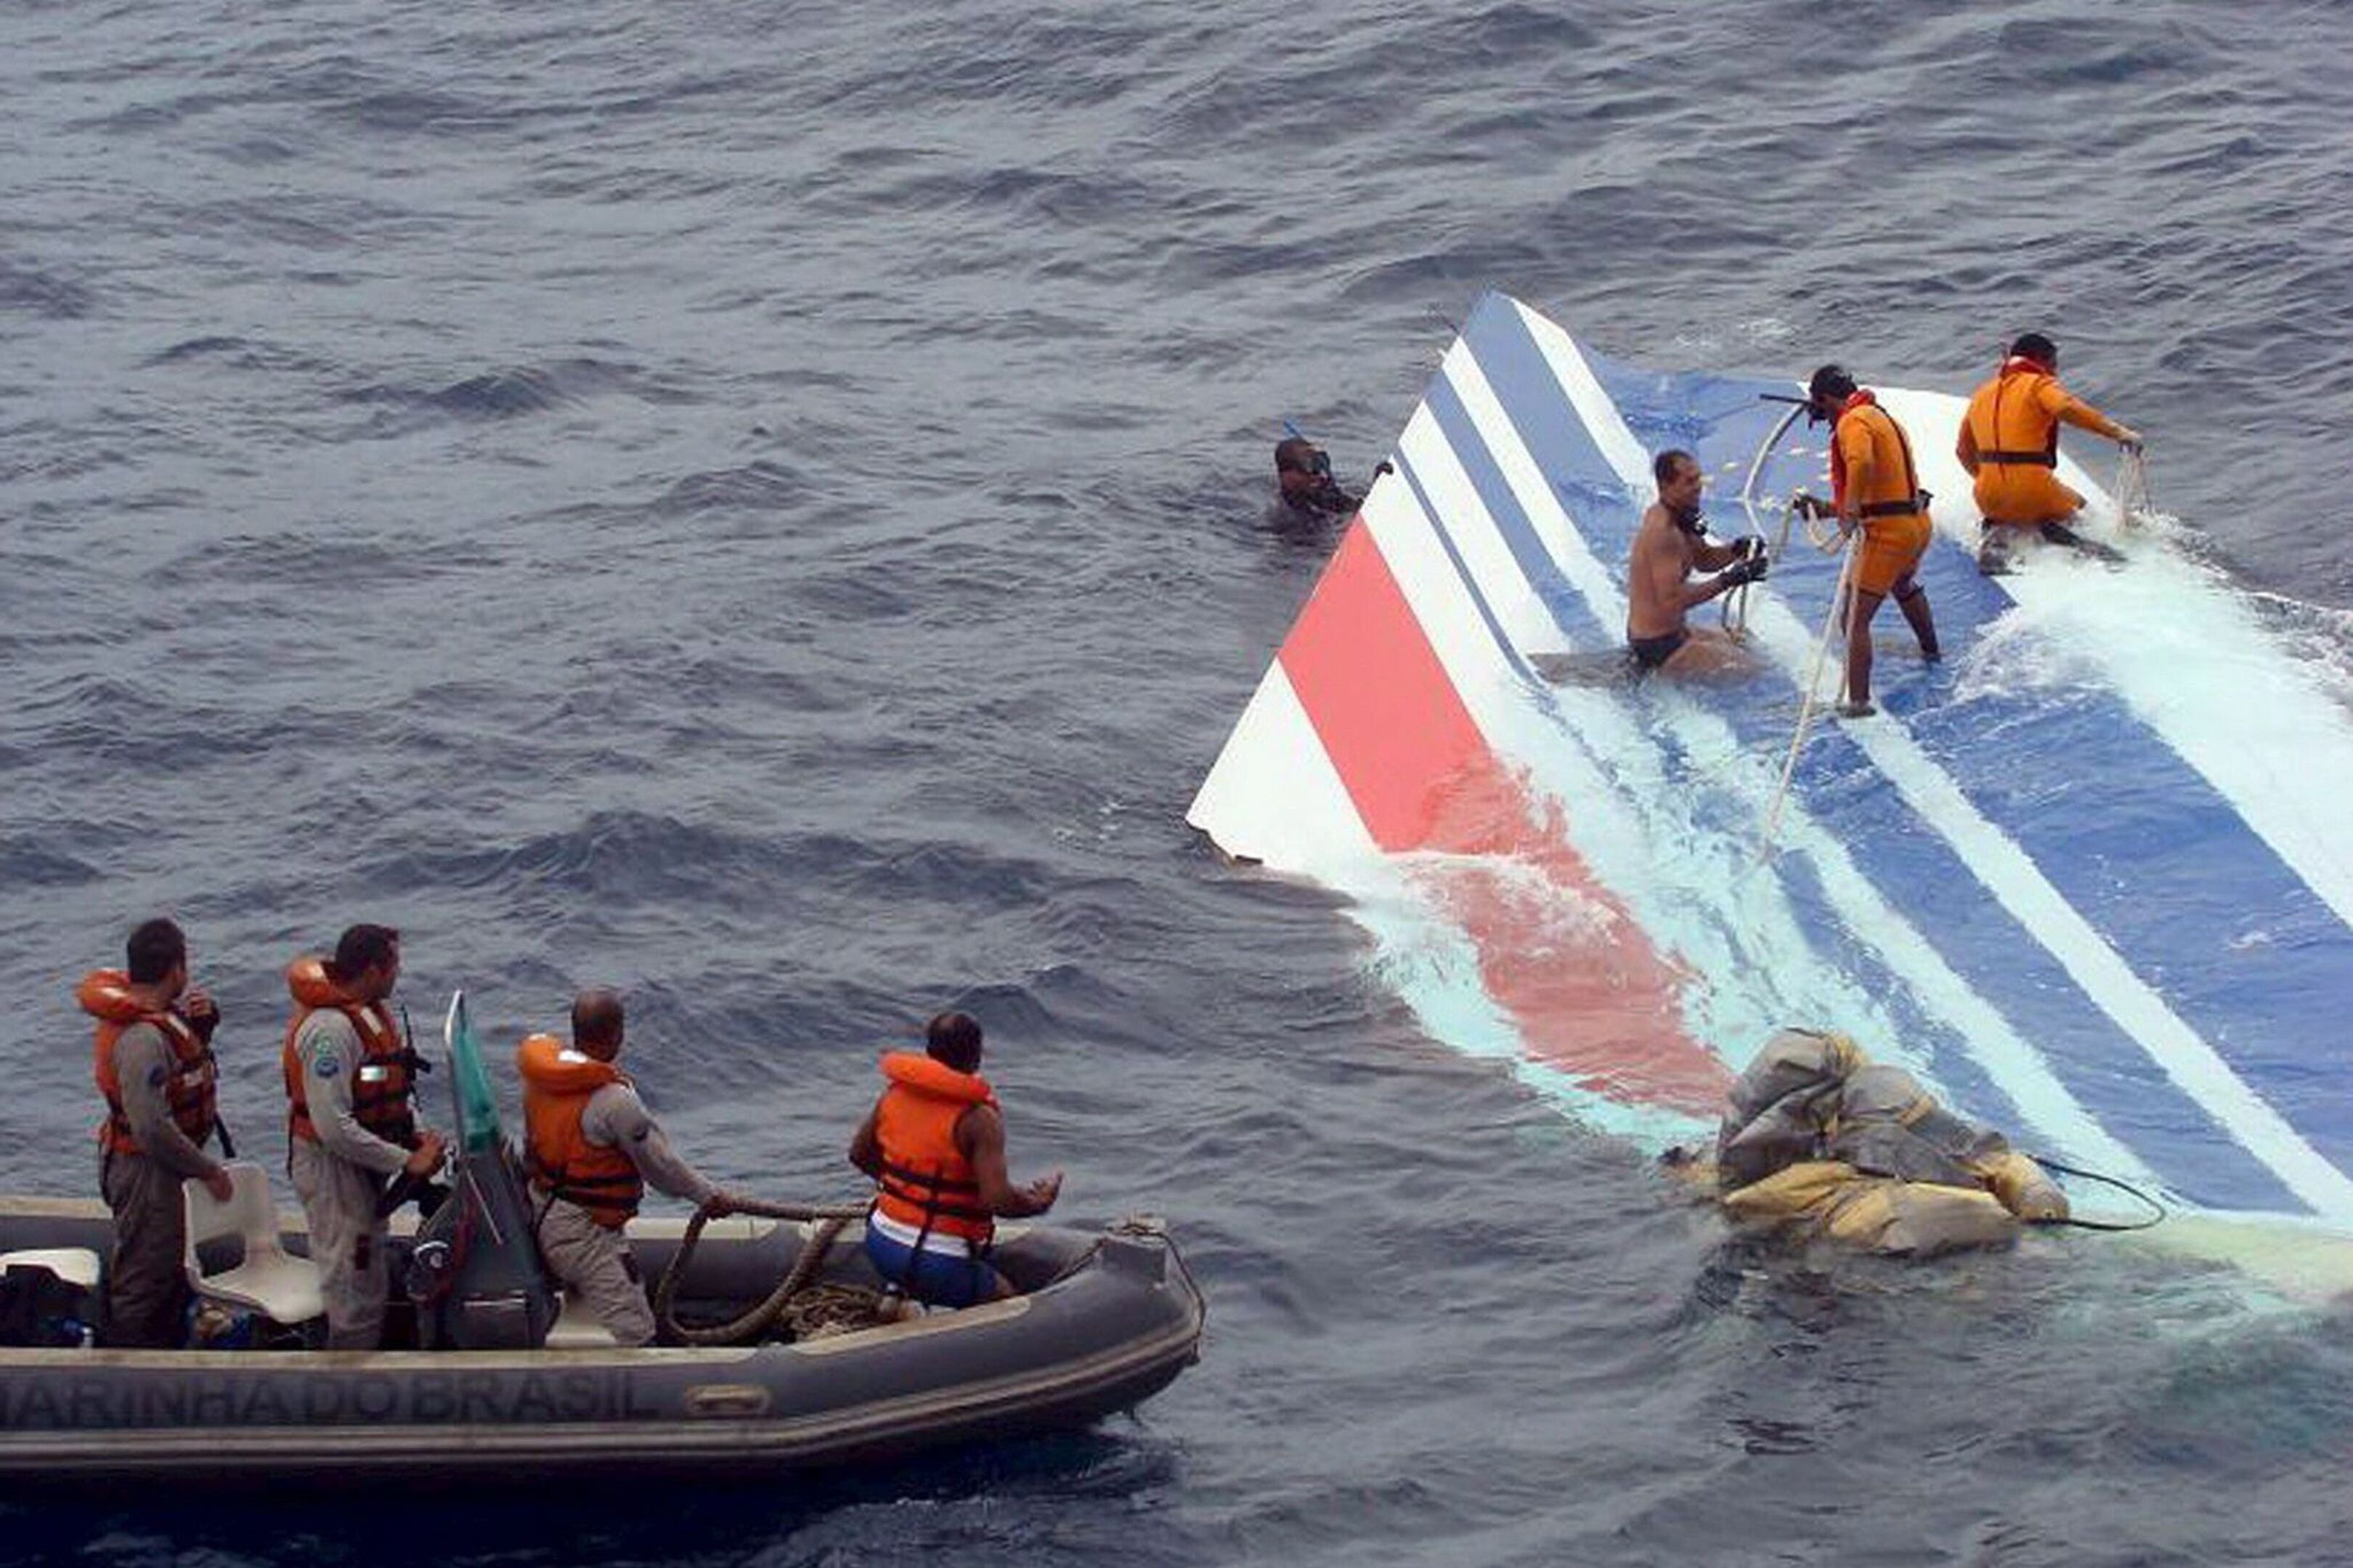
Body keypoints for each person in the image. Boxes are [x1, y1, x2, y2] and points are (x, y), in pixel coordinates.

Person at [518, 988, 742, 1346]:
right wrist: (709, 1197)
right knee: (636, 1330)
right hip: (584, 1236)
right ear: (617, 1035)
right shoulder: (613, 1103)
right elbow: (661, 1167)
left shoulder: (540, 1084)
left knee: (629, 1288)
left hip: (546, 1213)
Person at [282, 924, 444, 1349]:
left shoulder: (370, 1018)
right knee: (351, 1278)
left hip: (363, 1163)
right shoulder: (330, 1032)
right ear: (374, 970)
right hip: (331, 1167)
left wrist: (416, 1138)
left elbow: (378, 1085)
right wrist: (404, 1160)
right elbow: (332, 1127)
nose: (398, 973)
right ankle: (344, 1381)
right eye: (394, 965)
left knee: (366, 1269)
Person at [81, 918, 236, 1347]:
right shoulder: (142, 1039)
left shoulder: (165, 1020)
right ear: (176, 970)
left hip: (164, 1167)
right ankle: (128, 1369)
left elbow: (179, 1075)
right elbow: (150, 1127)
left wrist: (202, 1032)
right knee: (143, 1277)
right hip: (146, 1171)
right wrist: (208, 1170)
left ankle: (165, 1345)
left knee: (167, 1267)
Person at [848, 1012, 1061, 1309]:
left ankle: (899, 1295)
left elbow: (859, 1155)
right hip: (936, 1261)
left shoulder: (894, 1094)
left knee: (930, 1266)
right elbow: (997, 1200)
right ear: (976, 1057)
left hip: (879, 1243)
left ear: (929, 1051)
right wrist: (1038, 1203)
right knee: (1007, 1303)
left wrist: (908, 1192)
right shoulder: (978, 1118)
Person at [1792, 365, 1942, 718]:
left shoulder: (1853, 422)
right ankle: (1931, 652)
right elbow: (1884, 492)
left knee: (1853, 619)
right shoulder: (1880, 415)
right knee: (1903, 584)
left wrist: (1850, 512)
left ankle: (1857, 703)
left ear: (1826, 399)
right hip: (1917, 524)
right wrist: (1827, 509)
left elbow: (1861, 462)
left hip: (1890, 535)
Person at [1956, 333, 2144, 574]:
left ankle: (2000, 534)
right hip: (2034, 490)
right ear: (2040, 361)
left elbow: (1962, 452)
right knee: (2082, 508)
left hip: (1986, 496)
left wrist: (1990, 480)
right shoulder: (2038, 384)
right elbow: (2065, 406)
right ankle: (2057, 532)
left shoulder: (1981, 394)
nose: (2055, 373)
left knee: (2011, 512)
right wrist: (2119, 432)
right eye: (2054, 366)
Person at [1625, 447, 1768, 675]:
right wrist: (1729, 580)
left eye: (1699, 479)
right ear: (1665, 486)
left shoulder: (1682, 516)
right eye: (1689, 482)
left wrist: (1737, 549)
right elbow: (1671, 601)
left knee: (1743, 641)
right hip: (1659, 646)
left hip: (1676, 631)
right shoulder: (1662, 532)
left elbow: (1704, 560)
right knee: (1753, 670)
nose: (1699, 487)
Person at [1275, 435, 1391, 518]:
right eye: (1310, 467)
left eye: (1320, 463)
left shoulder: (1322, 491)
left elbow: (1353, 507)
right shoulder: (1287, 516)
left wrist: (1378, 487)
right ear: (1286, 476)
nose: (1320, 475)